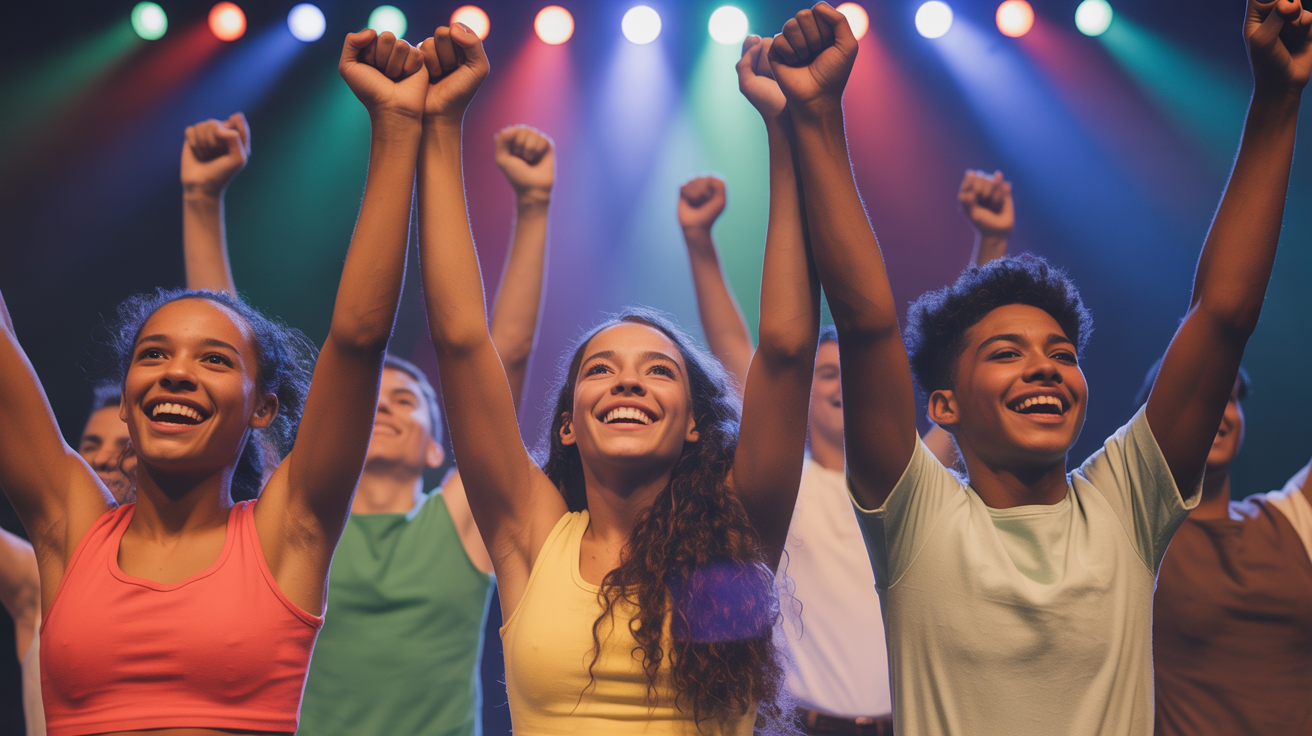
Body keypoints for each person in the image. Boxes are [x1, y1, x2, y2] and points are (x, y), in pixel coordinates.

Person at [765, 1, 1308, 734]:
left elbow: (1222, 315)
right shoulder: (916, 516)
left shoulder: (1125, 504)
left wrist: (1277, 102)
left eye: (1061, 355)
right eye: (1007, 354)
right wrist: (818, 114)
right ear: (946, 407)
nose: (1046, 369)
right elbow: (866, 323)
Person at [0, 29, 428, 736]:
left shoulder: (288, 530)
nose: (176, 371)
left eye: (214, 360)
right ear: (129, 389)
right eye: (154, 354)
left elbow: (357, 338)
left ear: (263, 407)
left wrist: (397, 129)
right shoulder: (69, 524)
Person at [416, 21, 820, 734]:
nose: (627, 383)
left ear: (694, 419)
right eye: (600, 370)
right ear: (568, 422)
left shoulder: (741, 526)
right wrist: (440, 126)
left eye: (658, 371)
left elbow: (786, 350)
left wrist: (785, 132)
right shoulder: (531, 532)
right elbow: (460, 342)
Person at [677, 166, 1013, 735]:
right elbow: (740, 353)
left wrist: (993, 242)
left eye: (846, 373)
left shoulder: (907, 482)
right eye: (823, 375)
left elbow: (963, 369)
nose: (838, 384)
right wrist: (699, 241)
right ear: (801, 399)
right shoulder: (789, 485)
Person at [0, 106, 255, 735]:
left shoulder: (260, 543)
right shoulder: (52, 554)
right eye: (90, 446)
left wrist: (200, 200)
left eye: (123, 449)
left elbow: (237, 355)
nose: (113, 458)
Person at [297, 124, 554, 736]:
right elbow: (239, 369)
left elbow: (505, 355)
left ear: (438, 444)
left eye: (407, 398)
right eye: (372, 398)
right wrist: (202, 201)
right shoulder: (301, 519)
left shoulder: (459, 523)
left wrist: (534, 204)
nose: (383, 407)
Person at [1140, 365, 1312, 735]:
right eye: (1195, 396)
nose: (1215, 407)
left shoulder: (1291, 519)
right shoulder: (1139, 538)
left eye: (1229, 397)